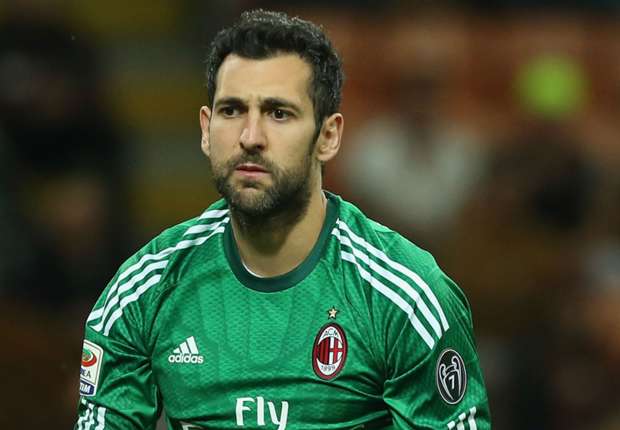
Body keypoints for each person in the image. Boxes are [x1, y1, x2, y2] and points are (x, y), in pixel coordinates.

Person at [75, 10, 490, 429]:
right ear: (205, 128)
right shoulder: (144, 291)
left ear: (328, 136)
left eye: (278, 113)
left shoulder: (406, 298)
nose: (250, 137)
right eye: (232, 110)